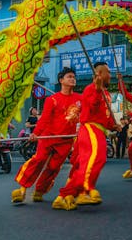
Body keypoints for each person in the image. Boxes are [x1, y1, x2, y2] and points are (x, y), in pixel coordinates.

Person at [53, 62, 120, 211]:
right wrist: (96, 90)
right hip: (90, 129)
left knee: (82, 165)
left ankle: (64, 197)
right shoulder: (90, 89)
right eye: (107, 72)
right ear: (99, 75)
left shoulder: (105, 93)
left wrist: (113, 125)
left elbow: (104, 115)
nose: (110, 75)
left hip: (98, 130)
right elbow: (90, 108)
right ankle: (85, 190)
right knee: (96, 158)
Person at [11, 67, 81, 204]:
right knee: (39, 160)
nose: (72, 79)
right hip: (48, 137)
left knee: (54, 167)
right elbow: (44, 119)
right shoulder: (52, 99)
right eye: (69, 77)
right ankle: (22, 189)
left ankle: (40, 191)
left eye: (74, 77)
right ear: (61, 80)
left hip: (66, 139)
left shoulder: (80, 99)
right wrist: (36, 133)